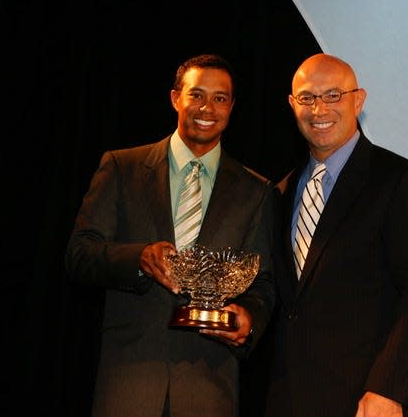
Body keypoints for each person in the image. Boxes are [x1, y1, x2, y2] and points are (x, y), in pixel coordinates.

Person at [65, 54, 276, 417]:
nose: (207, 107)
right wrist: (139, 258)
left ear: (232, 107)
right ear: (175, 98)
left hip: (209, 387)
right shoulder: (122, 167)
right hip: (129, 382)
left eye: (220, 98)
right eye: (196, 95)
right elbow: (79, 254)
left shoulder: (256, 191)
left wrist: (249, 319)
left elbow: (264, 283)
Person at [264, 53, 408, 417]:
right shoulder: (279, 192)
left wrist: (389, 389)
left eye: (333, 95)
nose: (319, 109)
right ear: (291, 104)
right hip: (287, 401)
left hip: (366, 402)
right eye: (307, 98)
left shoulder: (401, 180)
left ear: (357, 100)